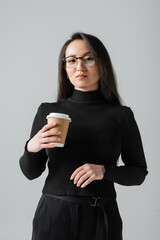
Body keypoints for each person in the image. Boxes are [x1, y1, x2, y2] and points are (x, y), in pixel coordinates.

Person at [19, 32, 148, 240]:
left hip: (101, 217)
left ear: (101, 63)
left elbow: (139, 173)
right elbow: (30, 172)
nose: (79, 66)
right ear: (65, 69)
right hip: (53, 216)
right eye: (71, 60)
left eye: (88, 58)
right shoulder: (48, 112)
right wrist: (31, 148)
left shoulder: (121, 115)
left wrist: (105, 171)